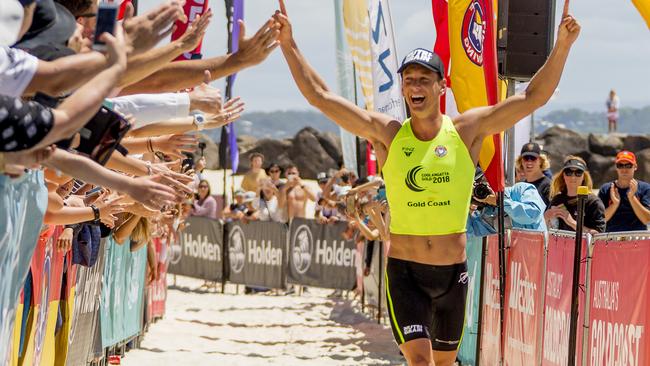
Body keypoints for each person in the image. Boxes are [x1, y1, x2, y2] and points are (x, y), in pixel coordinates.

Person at [272, 0, 580, 363]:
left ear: (441, 87)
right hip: (405, 273)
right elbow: (320, 97)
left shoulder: (466, 130)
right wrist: (290, 46)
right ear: (402, 88)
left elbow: (532, 97)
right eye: (408, 80)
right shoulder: (387, 134)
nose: (415, 86)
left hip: (453, 273)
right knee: (420, 361)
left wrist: (561, 46)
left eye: (423, 80)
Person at [544, 156, 605, 234]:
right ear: (563, 175)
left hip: (583, 246)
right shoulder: (557, 199)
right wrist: (545, 218)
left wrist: (572, 222)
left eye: (578, 173)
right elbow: (547, 229)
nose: (573, 177)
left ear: (584, 176)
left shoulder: (593, 202)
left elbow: (598, 235)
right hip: (559, 245)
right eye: (568, 172)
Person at [598, 151, 650, 232]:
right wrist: (614, 204)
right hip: (611, 239)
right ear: (616, 167)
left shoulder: (645, 188)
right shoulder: (606, 188)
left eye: (628, 165)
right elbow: (600, 220)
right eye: (620, 165)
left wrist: (632, 198)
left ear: (635, 167)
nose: (624, 169)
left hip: (637, 239)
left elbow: (646, 220)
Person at [517, 142, 552, 207]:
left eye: (533, 158)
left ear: (540, 161)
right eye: (526, 158)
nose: (529, 162)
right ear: (521, 161)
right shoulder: (521, 187)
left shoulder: (548, 187)